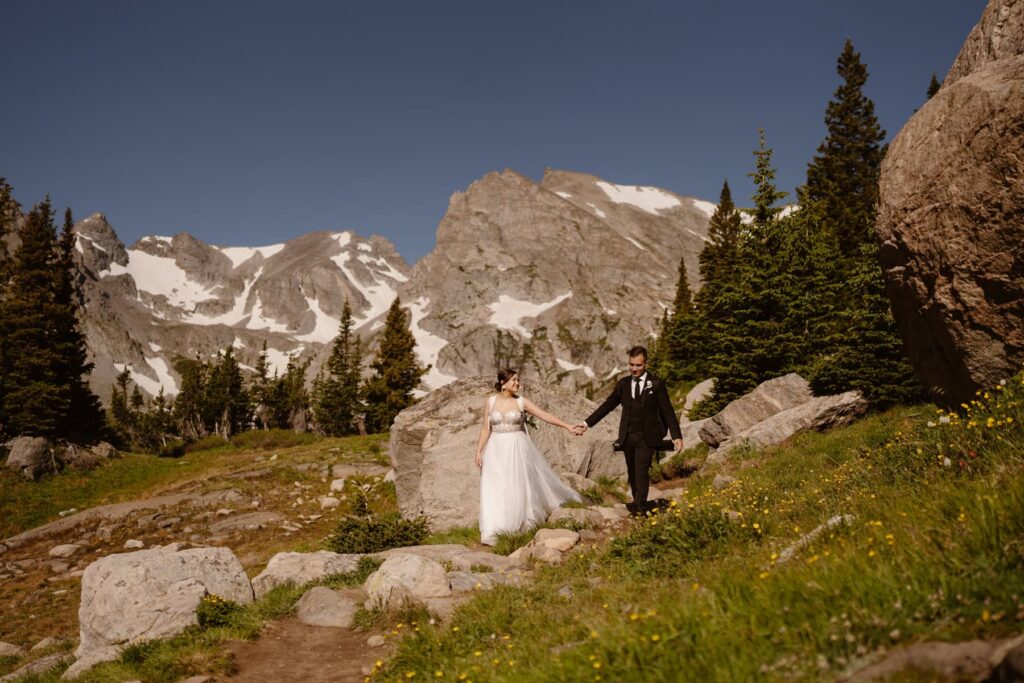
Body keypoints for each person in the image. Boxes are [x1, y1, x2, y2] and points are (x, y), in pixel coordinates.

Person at [475, 368, 582, 545]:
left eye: (518, 380)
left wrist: (567, 426)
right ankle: (495, 528)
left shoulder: (521, 402)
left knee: (515, 484)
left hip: (516, 448)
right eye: (514, 380)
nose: (518, 383)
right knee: (496, 487)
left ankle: (518, 524)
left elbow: (544, 415)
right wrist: (478, 451)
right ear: (503, 383)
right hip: (495, 449)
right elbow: (486, 428)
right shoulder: (490, 401)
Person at [574, 346, 682, 515]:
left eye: (638, 365)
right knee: (632, 473)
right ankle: (638, 503)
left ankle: (639, 508)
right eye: (631, 365)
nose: (634, 369)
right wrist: (586, 423)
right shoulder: (623, 384)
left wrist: (676, 436)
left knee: (641, 471)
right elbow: (607, 406)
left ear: (645, 363)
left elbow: (667, 410)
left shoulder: (657, 384)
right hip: (628, 436)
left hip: (648, 437)